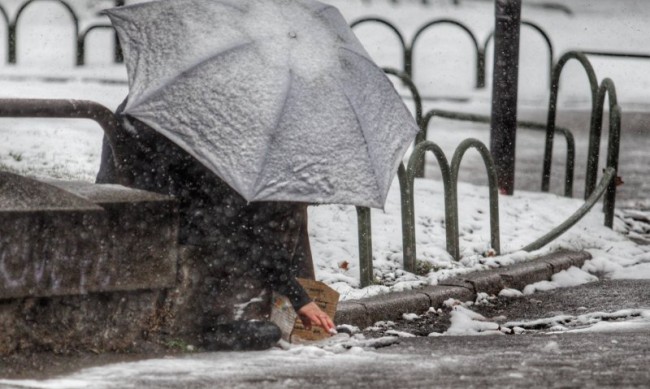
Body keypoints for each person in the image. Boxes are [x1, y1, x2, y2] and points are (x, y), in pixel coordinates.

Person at [97, 99, 334, 349]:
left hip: (131, 213)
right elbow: (240, 226)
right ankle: (215, 324)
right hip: (168, 223)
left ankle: (287, 307)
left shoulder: (145, 103)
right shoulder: (197, 129)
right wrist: (298, 297)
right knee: (266, 212)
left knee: (252, 212)